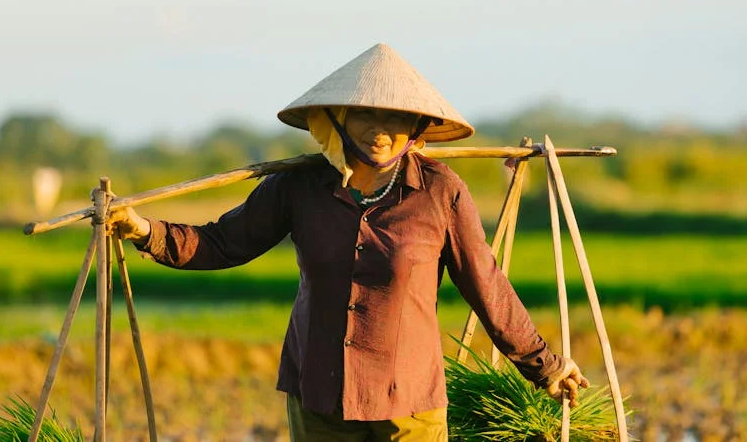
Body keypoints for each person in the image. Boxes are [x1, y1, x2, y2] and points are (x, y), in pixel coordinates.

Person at [109, 43, 589, 441]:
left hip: (409, 408)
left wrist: (545, 367)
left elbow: (486, 286)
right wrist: (144, 231)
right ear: (338, 117)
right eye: (366, 114)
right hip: (319, 398)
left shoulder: (440, 191)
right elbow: (221, 243)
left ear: (417, 127)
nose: (381, 130)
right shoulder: (298, 187)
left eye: (396, 116)